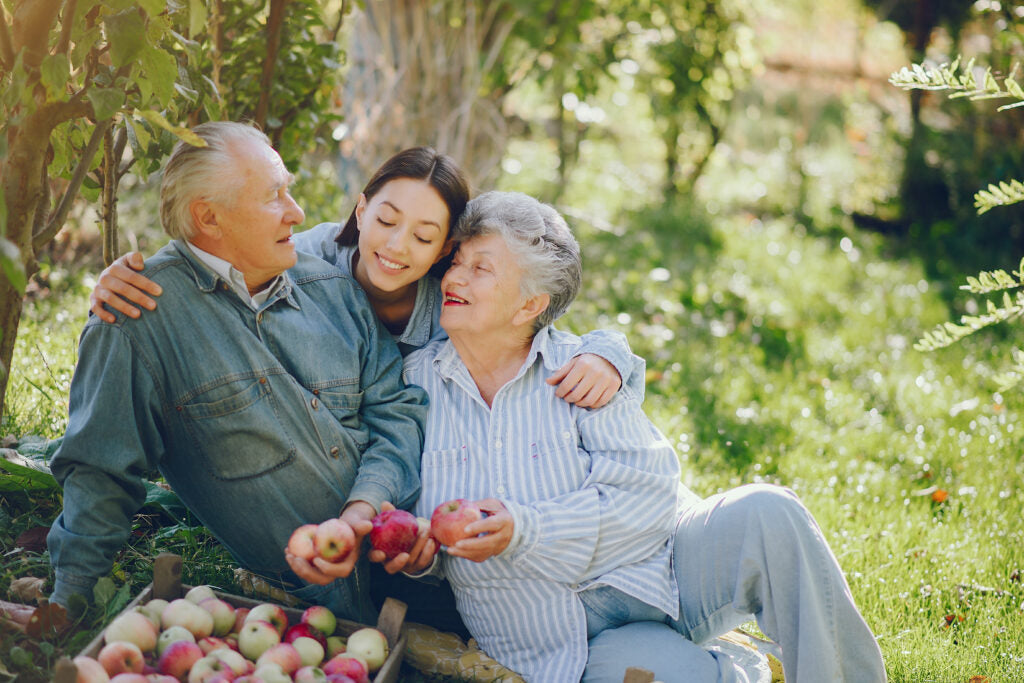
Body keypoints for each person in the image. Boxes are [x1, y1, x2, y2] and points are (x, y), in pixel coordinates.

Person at [291, 191, 889, 682]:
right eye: (457, 262)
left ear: (531, 304)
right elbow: (426, 533)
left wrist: (528, 528)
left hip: (662, 572)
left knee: (770, 510)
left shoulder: (580, 369)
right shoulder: (415, 384)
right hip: (547, 636)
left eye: (481, 267)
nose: (455, 277)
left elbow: (649, 496)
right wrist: (420, 557)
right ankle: (730, 669)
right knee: (658, 676)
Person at [45, 122, 429, 623]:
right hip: (317, 606)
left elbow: (397, 412)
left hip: (415, 547)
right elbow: (100, 474)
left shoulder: (333, 287)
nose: (298, 211)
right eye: (275, 196)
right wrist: (67, 600)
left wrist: (367, 505)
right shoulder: (139, 320)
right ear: (209, 217)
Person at [89, 148, 635, 409]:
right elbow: (217, 255)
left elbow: (544, 326)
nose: (396, 247)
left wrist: (607, 354)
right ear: (360, 207)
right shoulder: (304, 257)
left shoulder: (455, 297)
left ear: (445, 247)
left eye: (423, 238)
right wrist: (126, 277)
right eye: (386, 221)